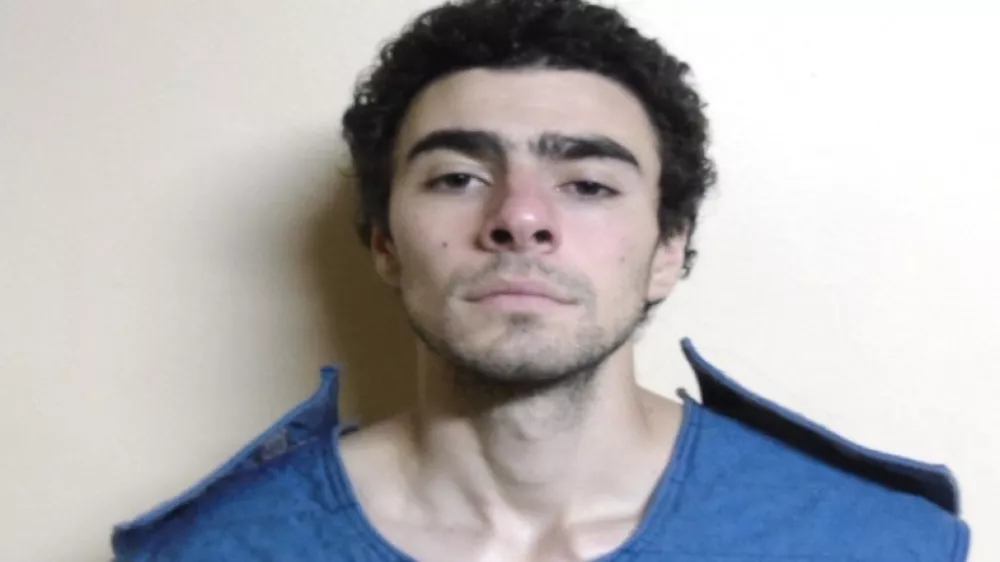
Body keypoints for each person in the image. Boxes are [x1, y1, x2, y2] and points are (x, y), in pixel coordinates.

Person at [111, 0, 970, 560]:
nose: (520, 217)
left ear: (668, 248)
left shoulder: (875, 544)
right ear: (384, 242)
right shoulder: (218, 550)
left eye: (588, 184)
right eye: (457, 177)